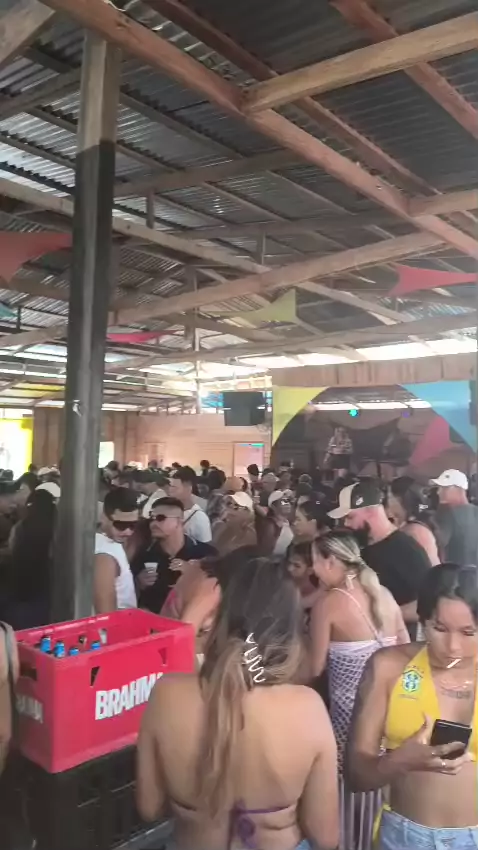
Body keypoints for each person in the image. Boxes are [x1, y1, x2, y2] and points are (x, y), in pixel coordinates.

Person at [137, 553, 340, 850]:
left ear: (223, 616)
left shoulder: (166, 694)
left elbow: (149, 807)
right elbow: (326, 837)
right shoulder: (307, 708)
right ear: (289, 629)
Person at [347, 563, 478, 849]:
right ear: (422, 620)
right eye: (439, 628)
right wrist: (398, 761)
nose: (453, 647)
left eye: (469, 633)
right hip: (405, 838)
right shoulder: (388, 668)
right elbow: (356, 776)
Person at [309, 530, 409, 849]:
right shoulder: (384, 595)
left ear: (331, 561)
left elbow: (314, 668)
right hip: (390, 716)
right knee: (383, 790)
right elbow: (407, 650)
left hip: (348, 723)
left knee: (349, 798)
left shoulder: (329, 604)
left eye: (315, 561)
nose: (312, 569)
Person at [328, 480, 431, 634]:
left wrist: (382, 615)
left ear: (371, 511)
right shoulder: (359, 543)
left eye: (350, 517)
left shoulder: (406, 550)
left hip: (394, 640)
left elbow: (429, 604)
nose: (347, 523)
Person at [133, 497, 214, 614]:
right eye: (152, 518)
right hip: (152, 621)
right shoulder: (144, 555)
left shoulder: (204, 553)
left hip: (190, 620)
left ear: (179, 521)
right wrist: (138, 583)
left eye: (160, 518)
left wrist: (193, 574)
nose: (153, 524)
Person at [8, 489, 57, 629]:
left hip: (21, 582)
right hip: (47, 585)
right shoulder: (57, 529)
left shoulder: (20, 528)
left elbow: (12, 550)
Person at [93, 488, 139, 613]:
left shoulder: (110, 543)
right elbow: (105, 614)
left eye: (132, 525)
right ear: (104, 517)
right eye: (121, 525)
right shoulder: (104, 555)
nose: (128, 532)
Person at [387, 476, 440, 565]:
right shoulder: (414, 525)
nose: (387, 503)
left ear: (399, 499)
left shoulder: (414, 531)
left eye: (389, 497)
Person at [432, 469, 478, 566]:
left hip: (453, 572)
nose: (438, 492)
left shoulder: (447, 514)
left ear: (457, 489)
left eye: (444, 488)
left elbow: (437, 543)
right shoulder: (475, 511)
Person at [169, 467, 212, 543]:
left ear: (188, 488)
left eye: (174, 488)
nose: (170, 491)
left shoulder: (199, 518)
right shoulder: (169, 510)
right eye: (170, 486)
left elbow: (205, 546)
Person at [212, 491, 257, 555]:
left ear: (247, 512)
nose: (230, 509)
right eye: (229, 504)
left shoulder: (250, 535)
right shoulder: (220, 526)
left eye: (236, 506)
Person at [257, 490, 294, 557]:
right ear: (274, 507)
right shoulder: (270, 525)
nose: (288, 504)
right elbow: (265, 552)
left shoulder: (287, 523)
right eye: (283, 502)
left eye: (288, 501)